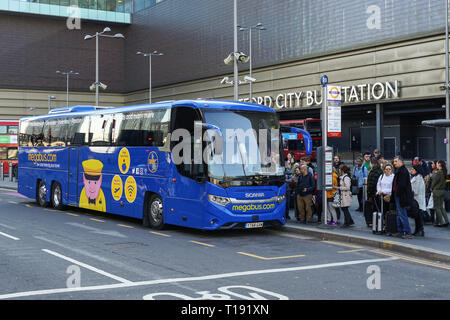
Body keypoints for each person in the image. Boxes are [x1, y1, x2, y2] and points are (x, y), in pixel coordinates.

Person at [391, 155, 414, 238]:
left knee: (402, 214)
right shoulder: (399, 170)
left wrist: (397, 193)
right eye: (394, 161)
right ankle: (400, 231)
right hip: (398, 195)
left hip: (401, 196)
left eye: (396, 161)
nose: (394, 163)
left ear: (401, 161)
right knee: (399, 214)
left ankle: (408, 232)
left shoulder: (403, 171)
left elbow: (402, 185)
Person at [430, 160, 450, 227]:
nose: (436, 164)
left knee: (437, 207)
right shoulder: (444, 172)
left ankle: (440, 222)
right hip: (442, 190)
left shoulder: (439, 172)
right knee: (441, 207)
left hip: (437, 190)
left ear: (439, 164)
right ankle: (446, 221)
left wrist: (431, 187)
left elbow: (434, 182)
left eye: (437, 163)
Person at [366, 157, 383, 227]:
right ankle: (378, 222)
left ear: (372, 164)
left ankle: (375, 222)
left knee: (374, 208)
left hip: (373, 193)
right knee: (379, 208)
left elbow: (371, 184)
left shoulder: (372, 172)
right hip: (379, 192)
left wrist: (369, 194)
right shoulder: (380, 171)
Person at [410, 164, 426, 236]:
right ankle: (418, 230)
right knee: (417, 216)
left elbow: (416, 191)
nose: (411, 170)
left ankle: (420, 230)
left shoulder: (418, 178)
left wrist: (409, 192)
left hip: (418, 200)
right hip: (416, 200)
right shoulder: (416, 177)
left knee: (419, 216)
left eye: (413, 169)